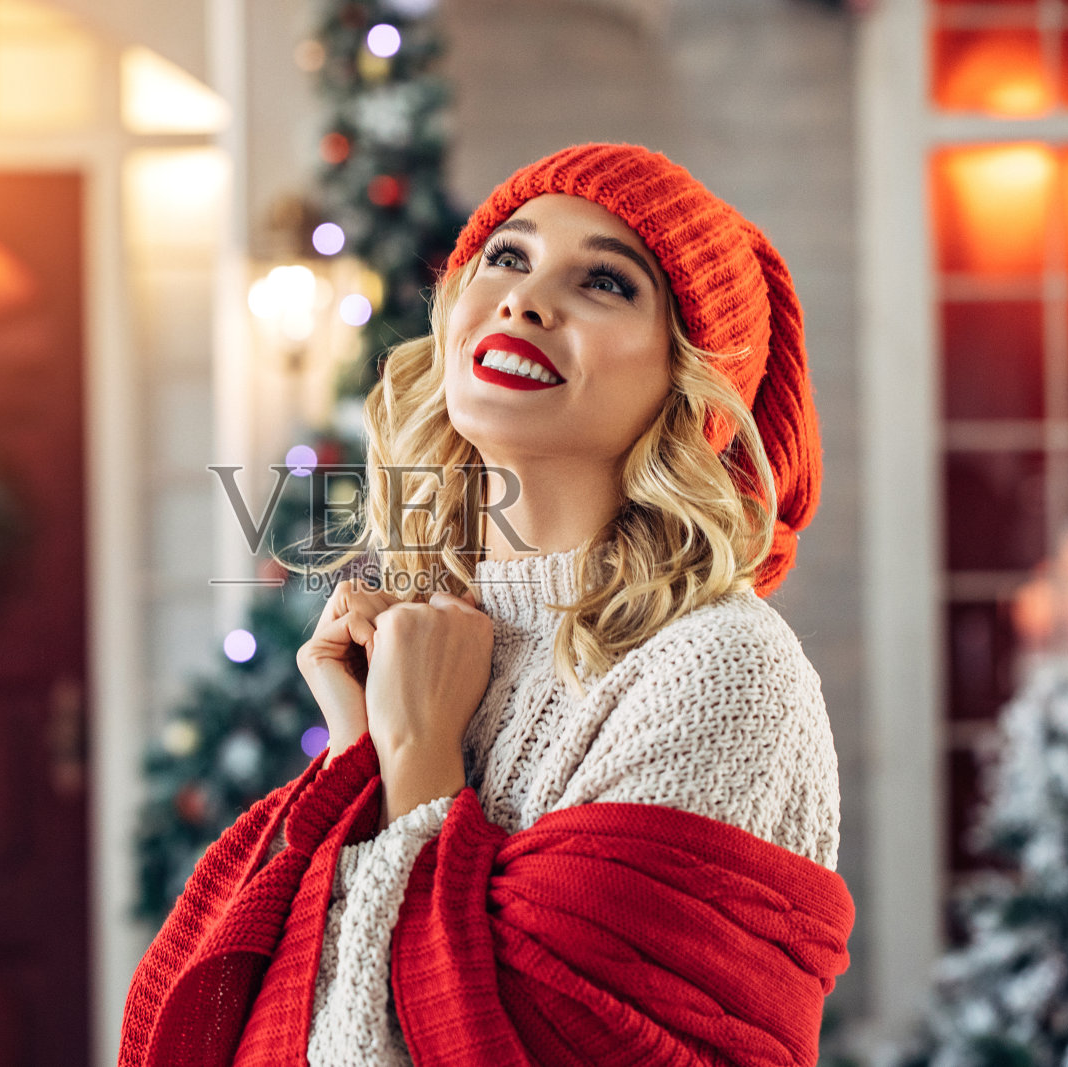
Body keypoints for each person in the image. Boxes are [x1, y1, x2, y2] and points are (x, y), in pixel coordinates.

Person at [119, 143, 854, 1067]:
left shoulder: (721, 671)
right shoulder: (426, 639)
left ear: (688, 381)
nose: (524, 298)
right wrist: (367, 752)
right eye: (506, 256)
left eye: (604, 282)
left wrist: (419, 753)